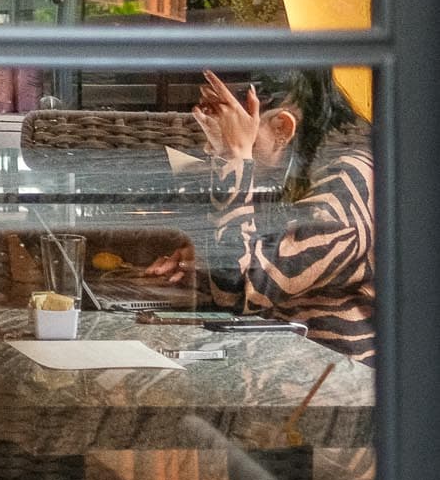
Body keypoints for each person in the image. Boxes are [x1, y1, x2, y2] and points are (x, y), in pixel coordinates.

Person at [145, 69, 375, 365]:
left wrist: (235, 156)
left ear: (282, 127)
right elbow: (251, 263)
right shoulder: (299, 172)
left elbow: (240, 291)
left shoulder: (347, 183)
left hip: (333, 384)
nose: (206, 147)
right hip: (288, 364)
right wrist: (204, 265)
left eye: (239, 132)